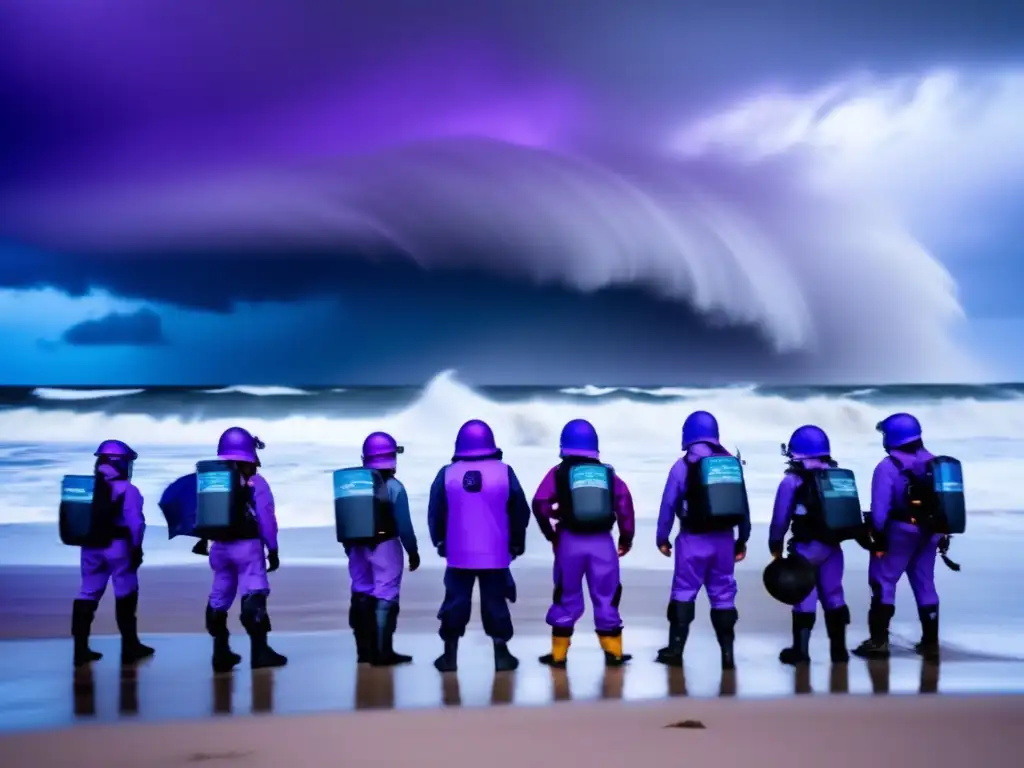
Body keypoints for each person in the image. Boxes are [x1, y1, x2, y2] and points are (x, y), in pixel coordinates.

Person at [854, 413, 962, 660]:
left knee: (883, 581)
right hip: (931, 533)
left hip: (900, 533)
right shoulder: (937, 464)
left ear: (892, 437)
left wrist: (878, 540)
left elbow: (880, 510)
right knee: (925, 584)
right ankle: (930, 642)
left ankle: (879, 642)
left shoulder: (888, 467)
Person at [428, 419, 531, 673]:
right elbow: (520, 510)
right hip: (495, 554)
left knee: (455, 602)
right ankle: (501, 655)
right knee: (495, 602)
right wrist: (517, 543)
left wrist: (440, 541)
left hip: (458, 553)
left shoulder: (447, 473)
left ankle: (449, 656)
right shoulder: (505, 472)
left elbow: (435, 511)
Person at [532, 419, 636, 668]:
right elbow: (625, 505)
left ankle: (558, 656)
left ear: (564, 445)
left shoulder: (558, 473)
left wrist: (551, 531)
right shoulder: (609, 474)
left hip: (569, 542)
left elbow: (539, 503)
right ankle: (614, 653)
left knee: (566, 595)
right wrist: (626, 537)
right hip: (603, 544)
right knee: (607, 596)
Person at [655, 410, 751, 670]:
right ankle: (728, 655)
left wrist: (662, 538)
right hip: (724, 541)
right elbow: (742, 504)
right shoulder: (729, 463)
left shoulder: (682, 466)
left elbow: (668, 505)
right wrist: (742, 540)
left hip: (692, 540)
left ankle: (675, 650)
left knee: (684, 593)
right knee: (723, 596)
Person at [769, 425, 856, 665]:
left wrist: (775, 544)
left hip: (806, 549)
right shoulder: (836, 475)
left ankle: (801, 652)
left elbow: (780, 518)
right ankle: (839, 652)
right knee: (834, 595)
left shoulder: (792, 481)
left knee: (804, 597)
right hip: (833, 549)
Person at [205, 427, 287, 671]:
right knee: (254, 594)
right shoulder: (257, 483)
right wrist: (272, 549)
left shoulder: (212, 482)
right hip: (248, 549)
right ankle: (260, 652)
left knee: (219, 597)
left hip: (219, 548)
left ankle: (220, 652)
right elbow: (266, 519)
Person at [70, 440, 155, 667]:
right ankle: (130, 646)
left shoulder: (87, 488)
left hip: (90, 548)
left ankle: (80, 649)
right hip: (118, 549)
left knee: (87, 593)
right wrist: (136, 549)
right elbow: (136, 525)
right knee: (126, 593)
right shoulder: (128, 490)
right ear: (122, 464)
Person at [344, 431, 420, 666]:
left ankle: (363, 652)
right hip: (386, 547)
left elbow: (345, 519)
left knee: (361, 591)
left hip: (356, 547)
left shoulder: (351, 485)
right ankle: (383, 652)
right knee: (386, 594)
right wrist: (413, 550)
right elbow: (404, 525)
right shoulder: (395, 487)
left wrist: (351, 549)